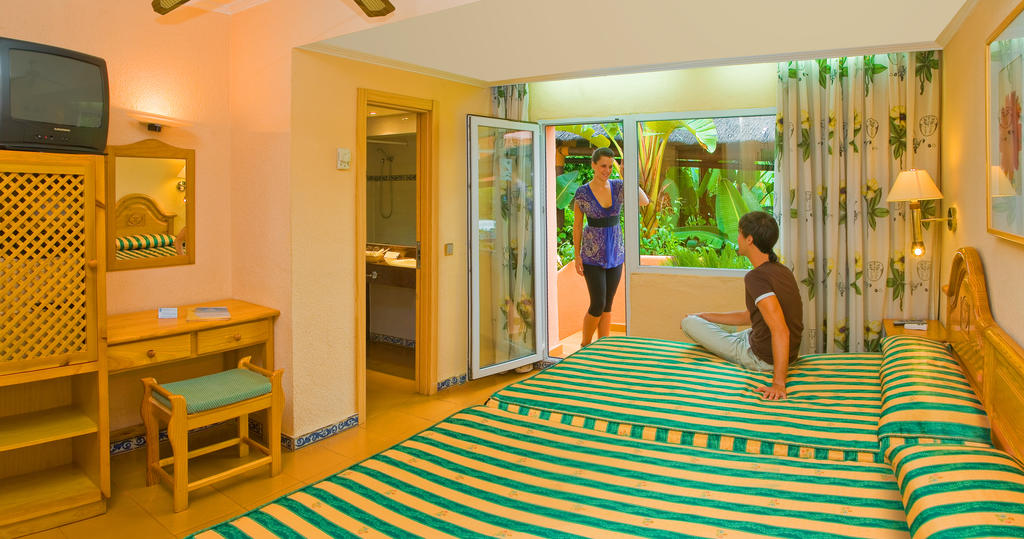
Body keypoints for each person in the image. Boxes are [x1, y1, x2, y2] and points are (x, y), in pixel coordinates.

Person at [680, 211, 802, 400]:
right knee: (698, 320)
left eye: (739, 233)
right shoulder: (782, 270)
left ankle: (708, 328)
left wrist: (778, 383)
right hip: (768, 345)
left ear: (749, 239)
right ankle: (707, 323)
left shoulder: (756, 277)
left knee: (688, 323)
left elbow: (780, 330)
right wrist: (706, 316)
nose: (737, 238)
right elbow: (749, 316)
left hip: (762, 359)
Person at [573, 147, 649, 346]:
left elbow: (644, 201)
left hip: (616, 254)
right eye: (602, 166)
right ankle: (585, 345)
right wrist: (576, 255)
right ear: (593, 165)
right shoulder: (582, 192)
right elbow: (578, 226)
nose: (606, 170)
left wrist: (627, 177)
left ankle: (603, 347)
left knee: (607, 305)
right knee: (597, 303)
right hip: (591, 256)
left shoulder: (619, 186)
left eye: (609, 166)